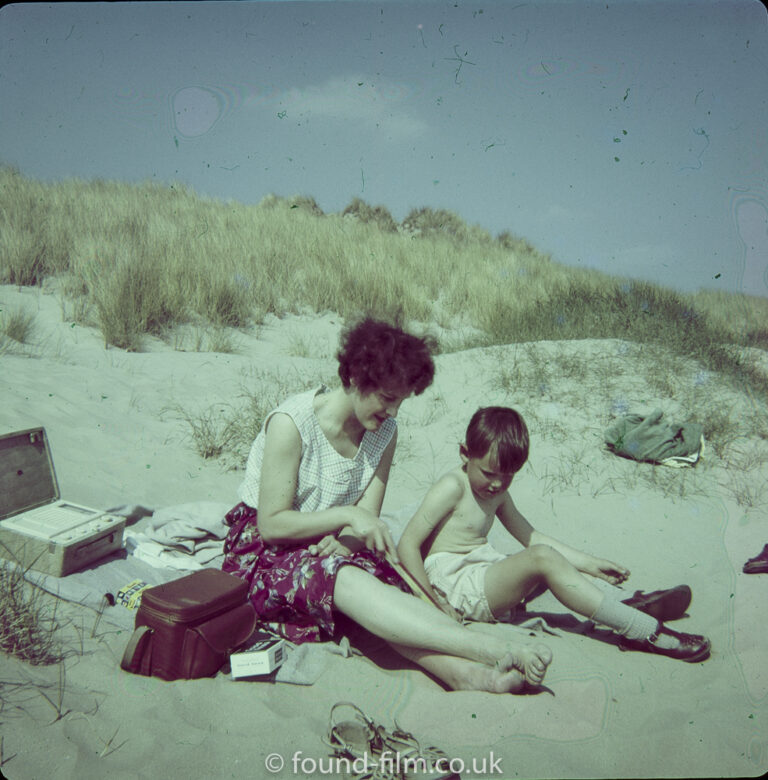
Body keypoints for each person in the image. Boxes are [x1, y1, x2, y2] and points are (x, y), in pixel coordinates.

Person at [222, 320, 552, 692]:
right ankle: (488, 649)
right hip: (268, 552)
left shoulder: (383, 432)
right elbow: (271, 524)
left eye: (401, 401)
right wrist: (348, 518)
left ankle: (468, 676)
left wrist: (350, 539)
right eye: (387, 398)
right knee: (341, 577)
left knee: (386, 592)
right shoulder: (292, 424)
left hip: (329, 543)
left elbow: (369, 516)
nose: (393, 412)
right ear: (354, 379)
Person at [397, 406, 712, 663]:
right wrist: (433, 601)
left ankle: (624, 603)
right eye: (489, 473)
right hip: (454, 584)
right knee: (543, 562)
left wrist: (590, 564)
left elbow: (532, 537)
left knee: (547, 562)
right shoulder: (453, 486)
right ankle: (645, 631)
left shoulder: (497, 495)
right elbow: (407, 544)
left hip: (483, 572)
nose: (496, 485)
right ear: (465, 454)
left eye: (507, 477)